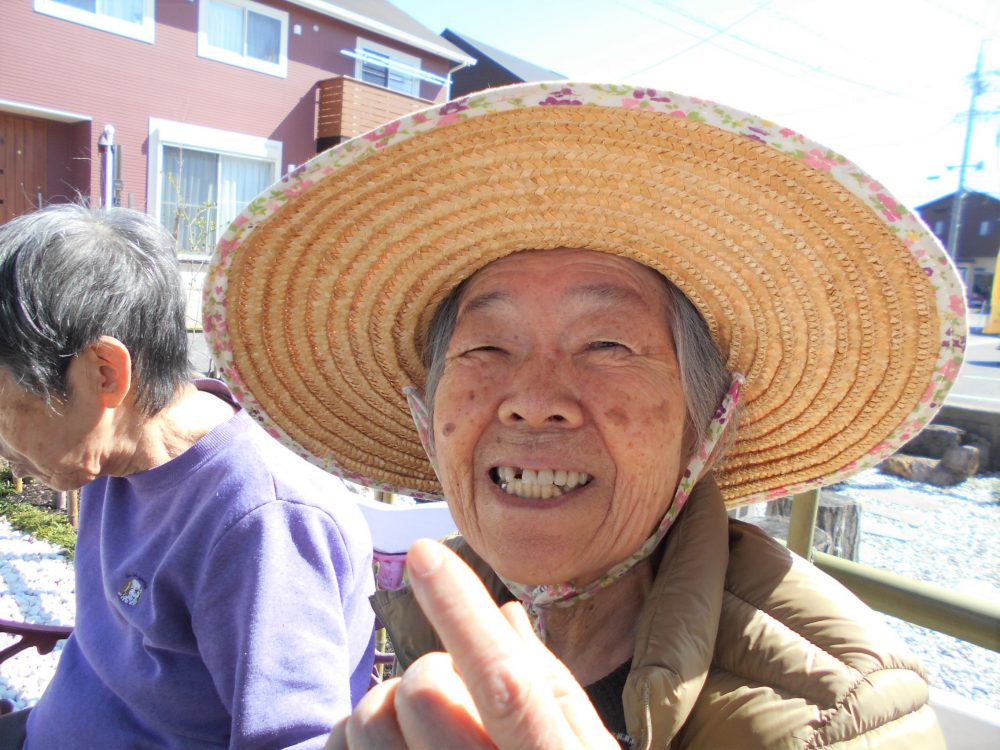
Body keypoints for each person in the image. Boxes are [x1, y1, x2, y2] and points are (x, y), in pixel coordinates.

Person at [203, 82, 965, 748]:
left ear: (709, 425)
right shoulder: (432, 629)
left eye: (607, 344)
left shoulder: (845, 720)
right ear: (426, 418)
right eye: (485, 346)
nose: (534, 399)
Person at [0, 204, 375, 749]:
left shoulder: (263, 519)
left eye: (5, 408)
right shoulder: (111, 450)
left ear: (105, 373)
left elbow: (297, 739)